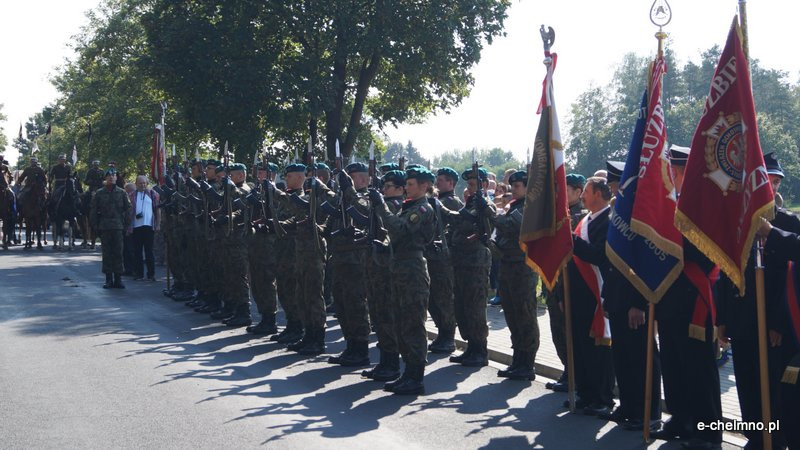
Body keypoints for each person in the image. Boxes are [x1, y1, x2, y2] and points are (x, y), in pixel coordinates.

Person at [715, 151, 796, 450]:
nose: (771, 187)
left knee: (774, 386)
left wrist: (778, 322)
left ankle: (776, 437)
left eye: (775, 181)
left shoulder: (789, 224)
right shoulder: (737, 225)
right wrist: (722, 319)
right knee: (747, 383)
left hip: (775, 326)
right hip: (742, 319)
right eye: (765, 181)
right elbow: (726, 271)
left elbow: (790, 282)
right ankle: (755, 435)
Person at [651, 145, 723, 448]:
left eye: (668, 171)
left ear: (677, 172)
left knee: (699, 369)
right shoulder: (669, 207)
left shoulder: (702, 207)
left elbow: (707, 254)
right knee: (673, 363)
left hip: (694, 296)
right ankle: (680, 418)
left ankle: (707, 431)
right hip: (669, 297)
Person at [370, 166, 437, 394]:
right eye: (406, 184)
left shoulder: (423, 209)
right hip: (399, 267)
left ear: (424, 186)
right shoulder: (410, 207)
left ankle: (416, 376)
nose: (407, 187)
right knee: (399, 321)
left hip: (413, 270)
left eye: (411, 184)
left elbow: (399, 229)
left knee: (413, 324)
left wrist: (381, 207)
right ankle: (407, 372)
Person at [565, 176, 614, 415]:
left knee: (598, 349)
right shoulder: (585, 220)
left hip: (597, 294)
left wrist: (572, 240)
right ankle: (584, 392)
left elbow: (599, 256)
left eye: (586, 190)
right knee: (581, 346)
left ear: (598, 194)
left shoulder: (609, 220)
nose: (582, 195)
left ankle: (602, 397)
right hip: (578, 294)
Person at [442, 167, 496, 367]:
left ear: (483, 185)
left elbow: (484, 221)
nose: (469, 186)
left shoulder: (484, 204)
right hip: (461, 262)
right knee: (463, 306)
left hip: (476, 262)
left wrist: (440, 209)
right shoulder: (471, 202)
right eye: (468, 183)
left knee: (474, 307)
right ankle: (471, 347)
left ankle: (480, 350)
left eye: (473, 183)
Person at [490, 170, 539, 380]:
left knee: (524, 315)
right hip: (509, 264)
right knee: (512, 315)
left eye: (518, 186)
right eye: (513, 185)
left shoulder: (530, 207)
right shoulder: (515, 206)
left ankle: (527, 364)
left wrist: (489, 213)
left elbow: (510, 226)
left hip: (523, 267)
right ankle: (517, 359)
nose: (513, 189)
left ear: (528, 187)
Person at [326, 162, 373, 366]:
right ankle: (350, 345)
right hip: (339, 257)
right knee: (342, 304)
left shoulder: (370, 197)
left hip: (356, 259)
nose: (347, 182)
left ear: (363, 179)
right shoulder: (343, 199)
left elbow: (366, 215)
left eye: (352, 178)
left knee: (355, 304)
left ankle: (361, 348)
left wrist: (350, 190)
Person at [362, 169, 406, 381]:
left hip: (388, 270)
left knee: (387, 316)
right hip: (376, 268)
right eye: (384, 186)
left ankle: (392, 364)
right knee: (378, 315)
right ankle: (385, 361)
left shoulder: (396, 207)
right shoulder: (383, 205)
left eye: (388, 187)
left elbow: (394, 233)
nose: (384, 190)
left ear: (400, 189)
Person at [426, 167, 463, 354]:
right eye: (437, 180)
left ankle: (448, 335)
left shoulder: (452, 202)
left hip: (444, 258)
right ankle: (442, 332)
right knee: (433, 298)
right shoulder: (436, 200)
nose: (437, 183)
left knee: (444, 298)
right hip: (432, 256)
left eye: (441, 180)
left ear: (451, 183)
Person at [91, 168, 131, 289]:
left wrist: (126, 224)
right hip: (105, 226)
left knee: (118, 252)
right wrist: (95, 226)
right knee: (107, 253)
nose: (112, 177)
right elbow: (93, 211)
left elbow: (128, 208)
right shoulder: (99, 193)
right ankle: (108, 279)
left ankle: (118, 279)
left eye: (114, 176)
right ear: (106, 178)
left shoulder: (122, 192)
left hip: (118, 227)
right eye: (109, 176)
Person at [127, 175, 160, 281]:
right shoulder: (132, 195)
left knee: (149, 251)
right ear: (136, 184)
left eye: (144, 183)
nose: (143, 185)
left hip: (149, 226)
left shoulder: (153, 194)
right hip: (136, 227)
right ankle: (139, 274)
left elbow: (157, 210)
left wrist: (158, 224)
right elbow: (128, 211)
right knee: (137, 252)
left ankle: (151, 274)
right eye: (140, 183)